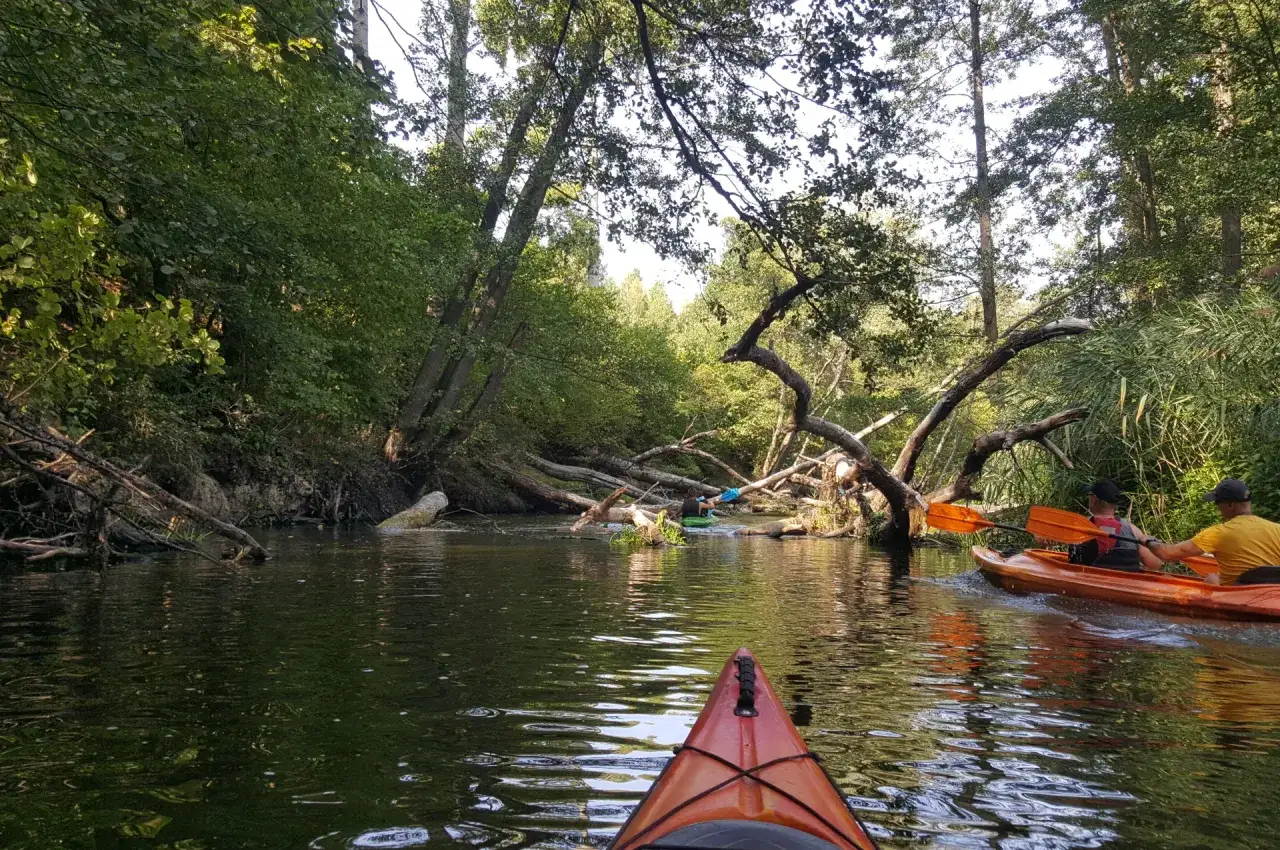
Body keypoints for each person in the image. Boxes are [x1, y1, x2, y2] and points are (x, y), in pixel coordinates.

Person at [1143, 479, 1280, 585]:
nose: (1217, 508)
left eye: (1217, 503)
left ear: (1230, 505)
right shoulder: (1277, 529)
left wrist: (1149, 542)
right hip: (1272, 593)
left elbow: (1167, 553)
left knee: (1211, 579)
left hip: (1237, 596)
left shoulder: (1218, 533)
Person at [1068, 480, 1162, 572]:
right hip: (1126, 583)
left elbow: (1073, 561)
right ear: (1114, 504)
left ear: (1094, 499)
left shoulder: (1080, 526)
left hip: (1091, 582)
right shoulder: (1133, 530)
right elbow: (1155, 564)